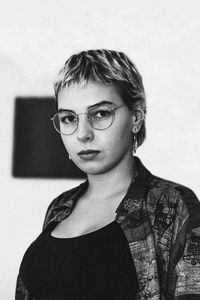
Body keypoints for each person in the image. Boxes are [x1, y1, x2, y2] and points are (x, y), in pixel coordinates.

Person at [15, 49, 200, 300]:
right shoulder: (59, 208)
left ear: (136, 117)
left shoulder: (171, 204)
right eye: (69, 118)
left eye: (100, 113)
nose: (83, 133)